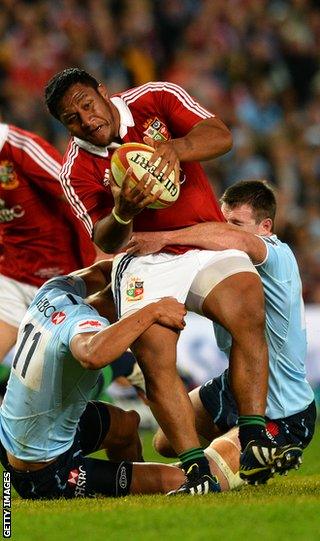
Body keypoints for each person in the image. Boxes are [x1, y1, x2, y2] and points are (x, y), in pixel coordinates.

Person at [45, 68, 278, 493]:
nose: (85, 119)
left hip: (203, 241)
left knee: (246, 305)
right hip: (144, 260)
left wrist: (177, 148)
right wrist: (122, 212)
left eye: (86, 104)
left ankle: (254, 436)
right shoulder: (76, 168)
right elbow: (106, 238)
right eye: (71, 118)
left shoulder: (154, 99)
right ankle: (195, 469)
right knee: (154, 354)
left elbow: (221, 135)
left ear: (102, 92)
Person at [0, 259, 240, 499]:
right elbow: (92, 354)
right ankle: (250, 437)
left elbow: (102, 271)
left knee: (126, 424)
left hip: (17, 436)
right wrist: (151, 310)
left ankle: (137, 496)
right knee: (181, 480)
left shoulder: (55, 290)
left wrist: (132, 263)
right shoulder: (85, 325)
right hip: (43, 468)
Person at [127, 180, 315, 484]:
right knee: (165, 441)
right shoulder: (222, 268)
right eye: (222, 220)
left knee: (200, 479)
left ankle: (263, 449)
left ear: (265, 227)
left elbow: (230, 239)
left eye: (237, 224)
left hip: (283, 410)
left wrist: (163, 238)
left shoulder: (276, 256)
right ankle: (247, 456)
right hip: (234, 387)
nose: (227, 230)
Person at [0, 122, 96, 366]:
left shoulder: (19, 148)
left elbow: (74, 192)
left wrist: (102, 253)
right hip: (11, 275)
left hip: (62, 276)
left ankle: (129, 368)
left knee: (87, 359)